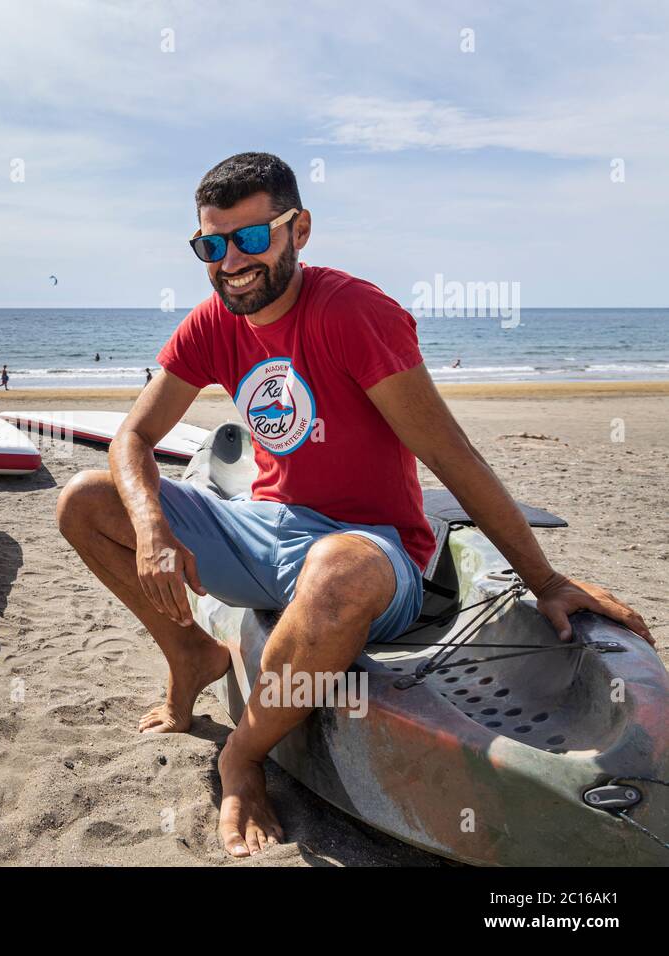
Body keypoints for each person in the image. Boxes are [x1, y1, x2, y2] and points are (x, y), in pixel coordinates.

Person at [56, 151, 651, 859]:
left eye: (250, 238)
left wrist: (546, 581)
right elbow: (134, 437)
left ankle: (242, 757)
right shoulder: (213, 321)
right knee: (86, 499)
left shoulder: (355, 313)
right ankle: (191, 654)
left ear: (298, 229)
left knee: (336, 570)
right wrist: (152, 527)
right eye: (210, 246)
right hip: (263, 529)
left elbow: (451, 456)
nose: (230, 262)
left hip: (371, 550)